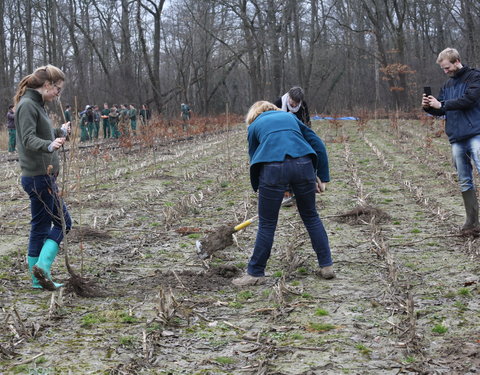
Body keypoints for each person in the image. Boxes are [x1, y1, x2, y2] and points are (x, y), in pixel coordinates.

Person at [232, 101, 334, 287]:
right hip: (304, 166)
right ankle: (326, 265)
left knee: (267, 223)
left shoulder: (254, 126)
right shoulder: (290, 117)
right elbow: (317, 143)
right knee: (311, 216)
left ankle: (255, 273)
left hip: (272, 170)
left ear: (254, 114)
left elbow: (255, 158)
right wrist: (322, 176)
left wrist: (270, 187)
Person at [14, 64, 72, 290]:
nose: (58, 94)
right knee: (64, 222)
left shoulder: (36, 105)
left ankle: (37, 280)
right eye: (57, 89)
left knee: (40, 225)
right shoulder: (28, 106)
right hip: (39, 178)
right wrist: (49, 145)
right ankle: (43, 268)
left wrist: (60, 133)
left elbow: (42, 136)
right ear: (47, 85)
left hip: (41, 177)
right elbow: (28, 140)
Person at [422, 47, 480, 232]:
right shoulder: (447, 86)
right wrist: (429, 107)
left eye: (447, 68)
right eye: (443, 69)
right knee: (464, 180)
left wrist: (443, 104)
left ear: (456, 61)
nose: (445, 71)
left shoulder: (475, 77)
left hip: (476, 133)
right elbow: (441, 109)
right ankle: (472, 222)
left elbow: (469, 100)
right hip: (456, 138)